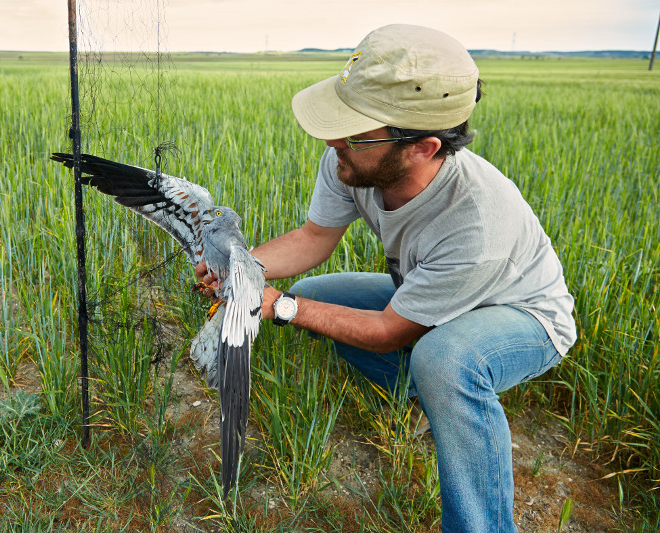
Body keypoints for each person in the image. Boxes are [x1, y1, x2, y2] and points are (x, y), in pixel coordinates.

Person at [197, 24, 576, 532]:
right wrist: (240, 270)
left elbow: (387, 332)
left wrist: (277, 305)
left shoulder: (478, 222)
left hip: (521, 317)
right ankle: (422, 400)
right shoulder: (352, 159)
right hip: (424, 295)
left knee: (441, 358)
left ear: (422, 147)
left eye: (354, 132)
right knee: (313, 298)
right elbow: (313, 239)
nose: (334, 141)